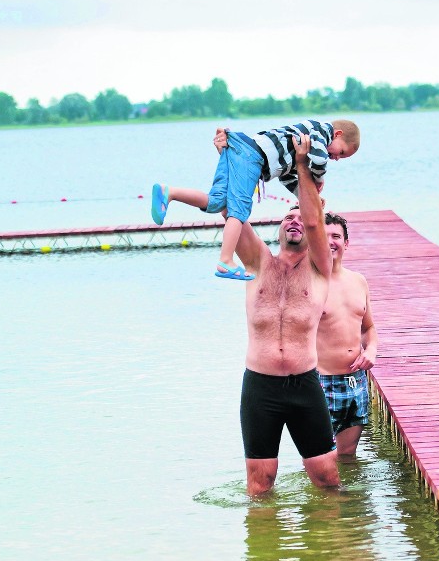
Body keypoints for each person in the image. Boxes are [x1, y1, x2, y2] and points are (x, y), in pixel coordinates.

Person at [231, 135, 340, 496]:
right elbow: (232, 211)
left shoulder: (320, 267)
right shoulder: (258, 262)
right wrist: (231, 159)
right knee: (259, 485)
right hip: (260, 388)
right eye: (287, 217)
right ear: (277, 229)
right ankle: (263, 551)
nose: (296, 221)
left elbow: (313, 222)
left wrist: (303, 162)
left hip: (304, 385)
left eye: (300, 216)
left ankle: (328, 547)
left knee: (326, 479)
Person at [150, 119, 360, 279]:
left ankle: (170, 193)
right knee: (239, 211)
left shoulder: (299, 149)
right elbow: (320, 159)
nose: (336, 158)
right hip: (252, 155)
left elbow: (286, 178)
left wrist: (308, 195)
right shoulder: (321, 133)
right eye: (341, 152)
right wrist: (318, 178)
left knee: (217, 202)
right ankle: (225, 260)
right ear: (338, 133)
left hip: (242, 151)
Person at [316, 212, 378, 458]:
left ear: (346, 243)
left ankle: (352, 498)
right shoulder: (309, 281)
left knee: (348, 456)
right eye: (324, 236)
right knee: (319, 457)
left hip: (355, 380)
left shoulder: (358, 281)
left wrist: (371, 350)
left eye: (336, 236)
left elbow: (368, 328)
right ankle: (322, 497)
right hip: (321, 382)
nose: (331, 241)